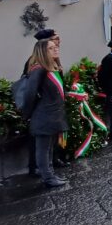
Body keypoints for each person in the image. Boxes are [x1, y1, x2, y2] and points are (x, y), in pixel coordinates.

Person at [24, 29, 68, 177]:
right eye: (53, 41)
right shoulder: (36, 65)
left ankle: (50, 168)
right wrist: (28, 113)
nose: (57, 44)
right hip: (43, 113)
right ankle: (40, 171)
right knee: (41, 147)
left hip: (53, 113)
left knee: (49, 146)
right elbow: (30, 92)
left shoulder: (52, 63)